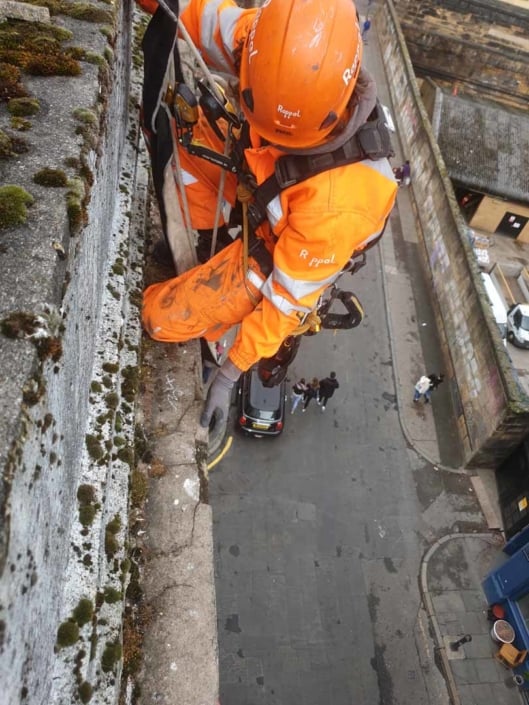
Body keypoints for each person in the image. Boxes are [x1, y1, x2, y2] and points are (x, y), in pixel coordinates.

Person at [139, 0, 398, 429]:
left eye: (286, 140)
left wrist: (228, 375)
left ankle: (207, 283)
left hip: (278, 253)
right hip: (258, 180)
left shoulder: (343, 203)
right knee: (184, 141)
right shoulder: (273, 51)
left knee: (160, 318)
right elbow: (205, 21)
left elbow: (286, 299)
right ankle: (200, 245)